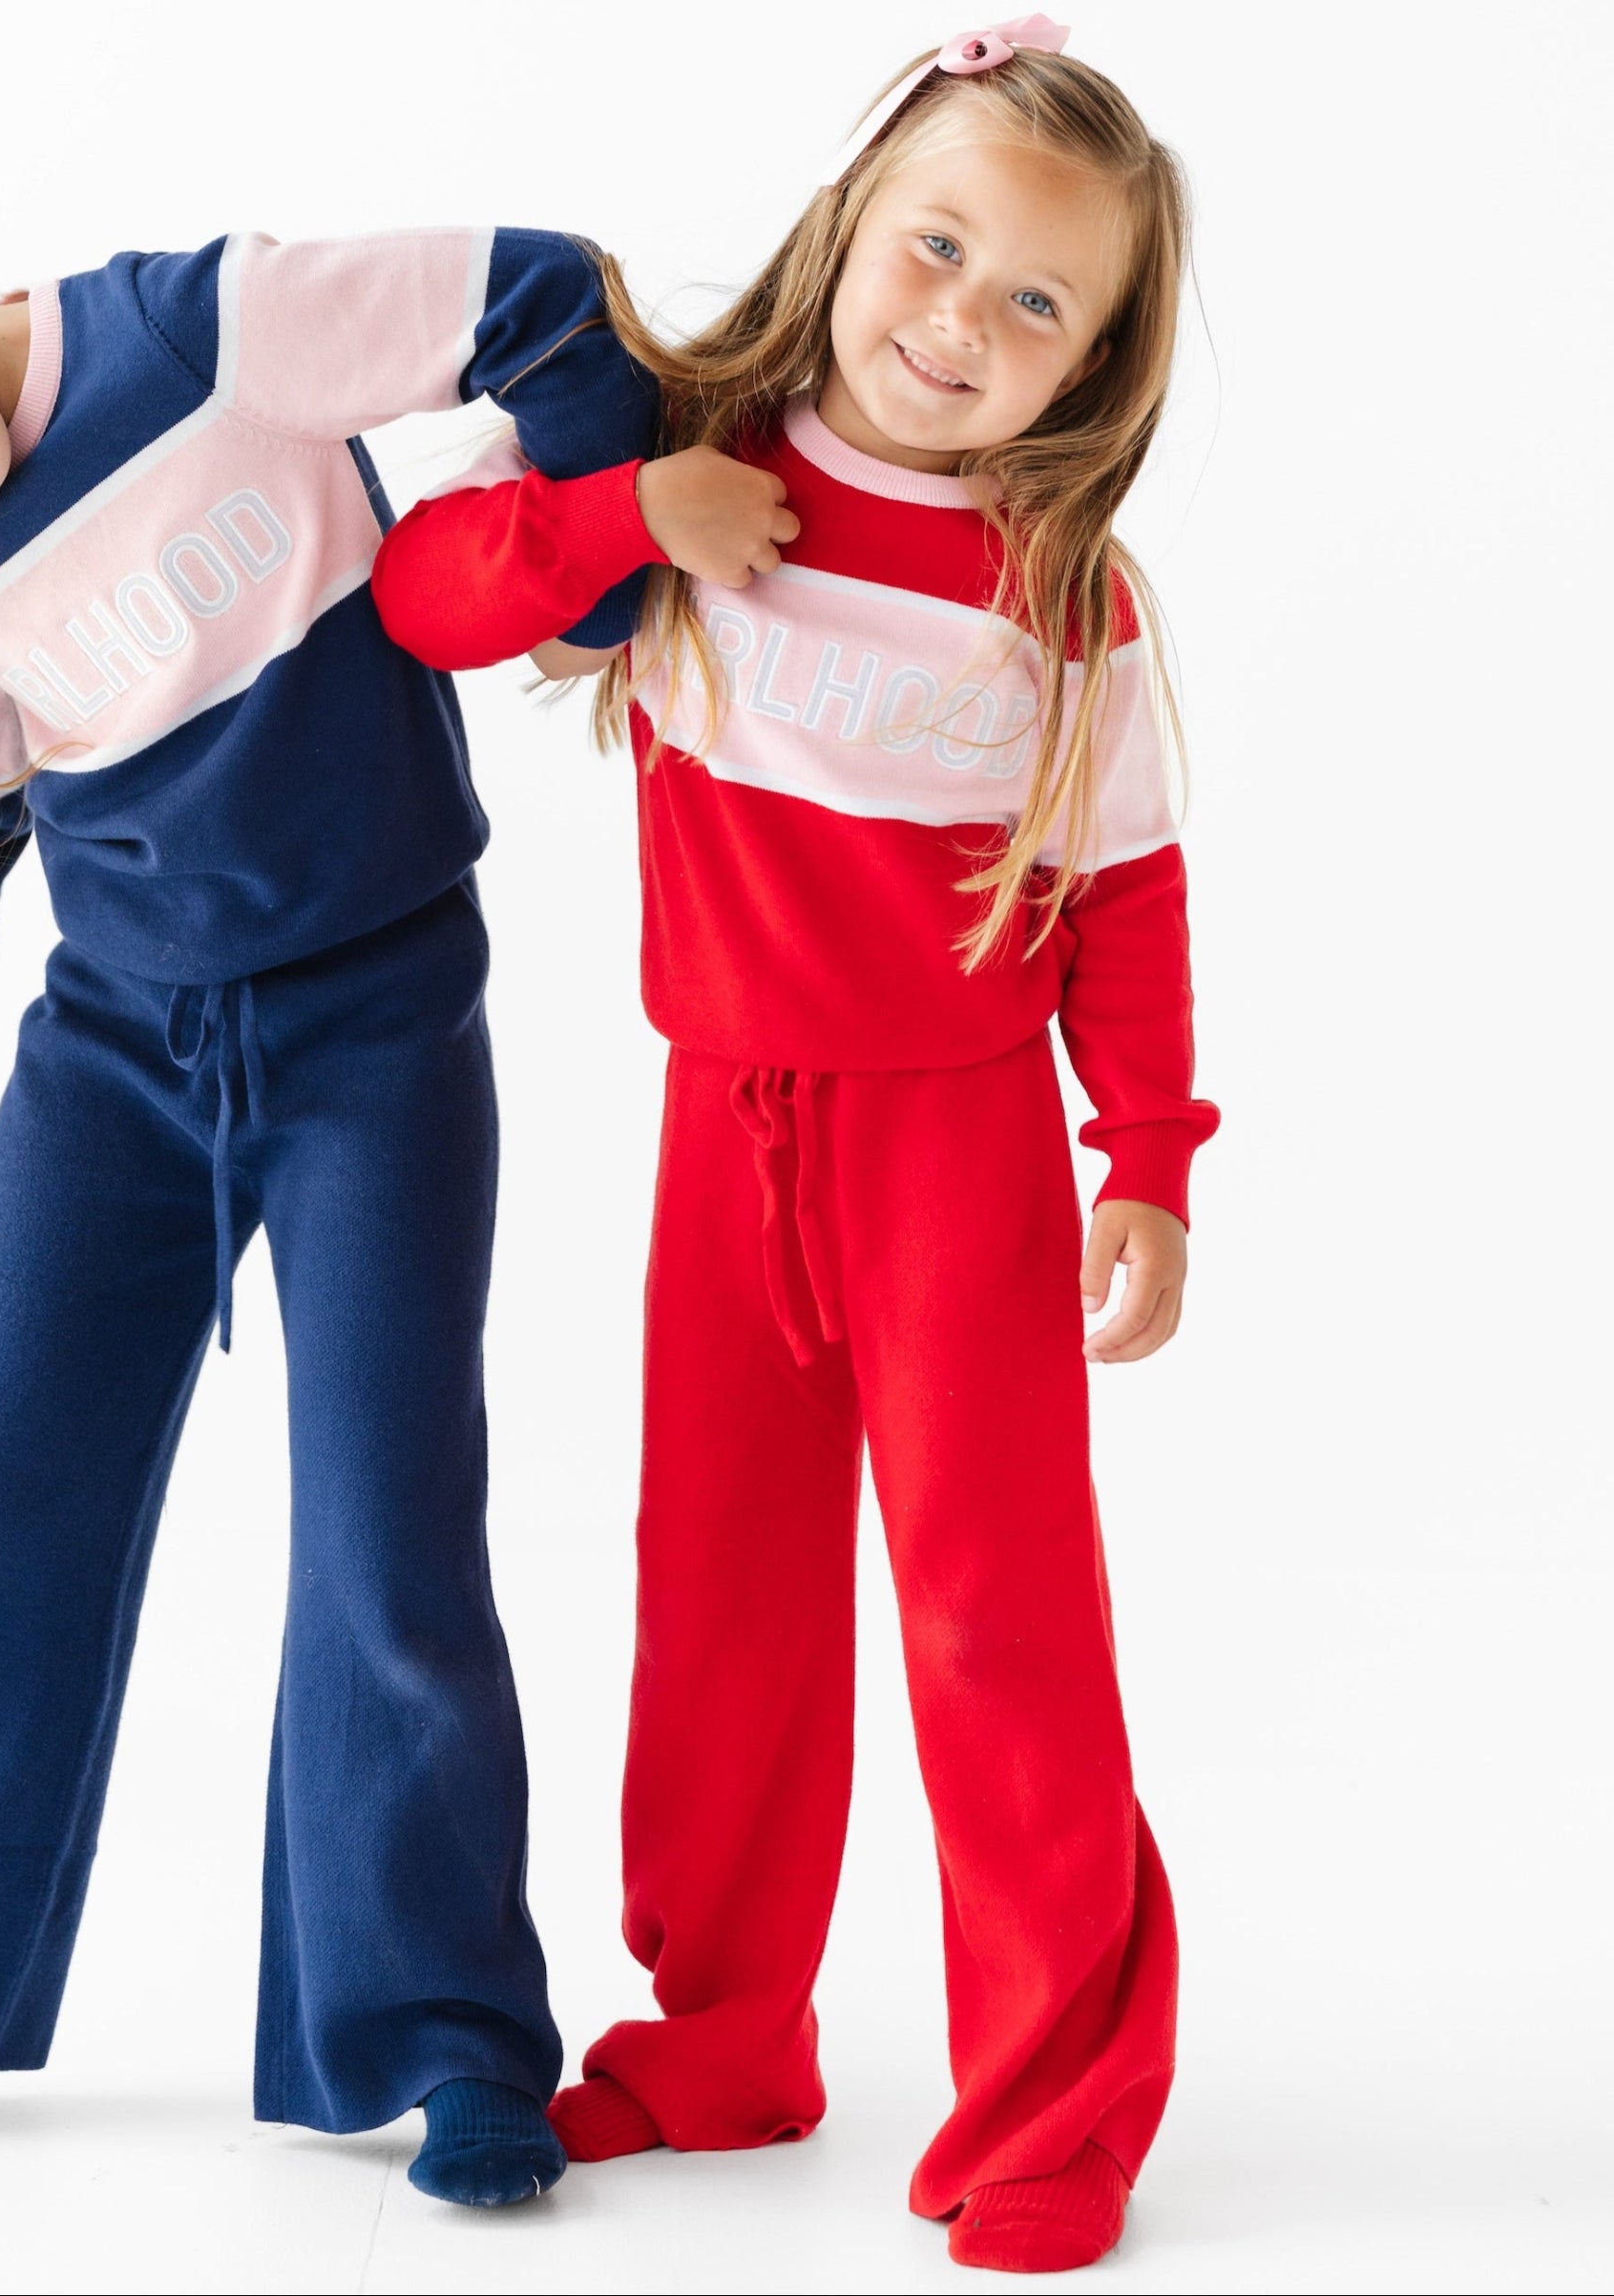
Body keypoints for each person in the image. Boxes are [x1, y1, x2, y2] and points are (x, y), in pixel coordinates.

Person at [0, 221, 654, 2208]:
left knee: (388, 1531)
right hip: (114, 1063)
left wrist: (599, 559)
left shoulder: (212, 329)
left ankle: (445, 2035)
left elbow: (539, 290)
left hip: (373, 1029)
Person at [372, 19, 1219, 2268]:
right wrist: (629, 510)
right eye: (934, 247)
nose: (957, 321)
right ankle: (721, 2032)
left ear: (1097, 358)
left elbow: (1119, 889)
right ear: (853, 219)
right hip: (713, 1131)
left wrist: (1147, 1151)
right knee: (723, 1600)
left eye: (1033, 302)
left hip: (954, 1162)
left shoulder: (1060, 596)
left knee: (997, 1626)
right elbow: (430, 598)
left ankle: (1052, 2105)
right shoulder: (682, 456)